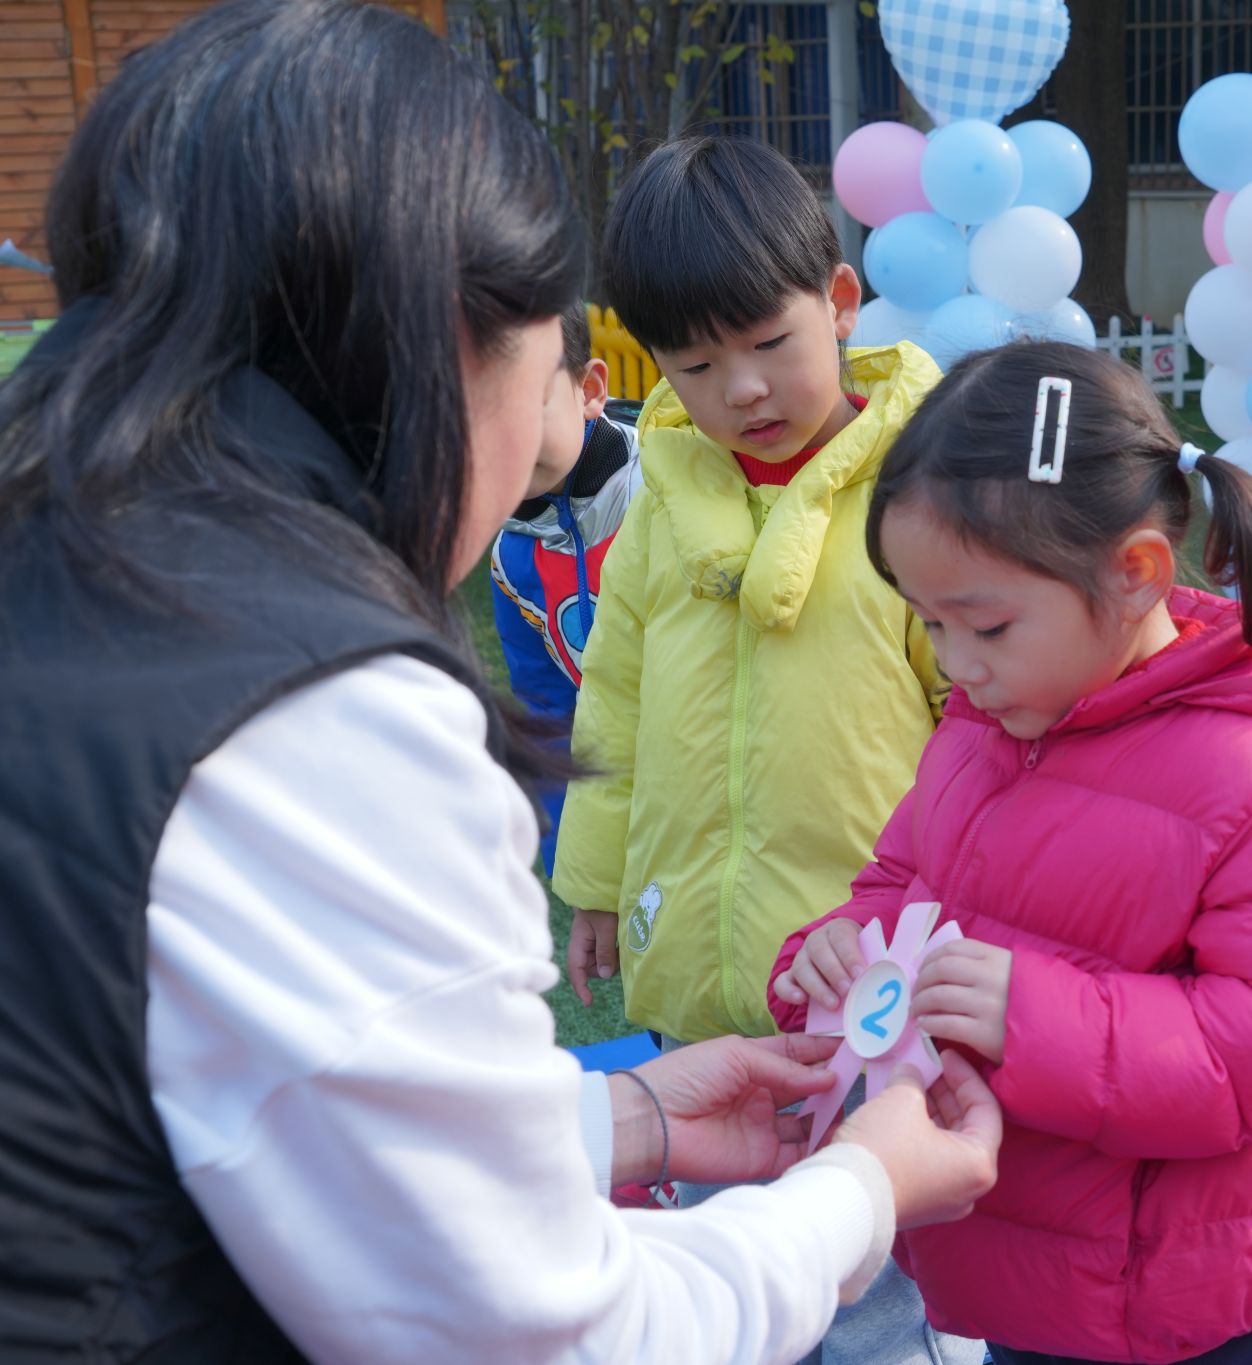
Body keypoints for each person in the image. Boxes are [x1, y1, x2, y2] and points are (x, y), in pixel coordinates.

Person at [0, 3, 998, 1361]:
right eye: (548, 381)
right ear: (446, 345)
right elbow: (542, 1327)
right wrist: (863, 1188)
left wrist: (616, 1118)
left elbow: (290, 1120)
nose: (547, 439)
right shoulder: (321, 711)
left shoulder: (79, 578)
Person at [769, 341, 1252, 1365]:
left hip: (1167, 1292)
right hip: (1023, 1261)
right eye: (930, 625)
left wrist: (1031, 1016)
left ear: (1133, 575)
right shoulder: (989, 722)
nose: (955, 665)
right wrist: (838, 952)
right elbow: (901, 881)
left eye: (986, 626)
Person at [549, 130, 971, 1365]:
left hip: (872, 980)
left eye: (770, 343)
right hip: (697, 968)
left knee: (881, 1285)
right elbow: (614, 700)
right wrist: (593, 881)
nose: (741, 390)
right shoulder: (663, 502)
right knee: (727, 1264)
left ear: (838, 301)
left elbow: (978, 727)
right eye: (694, 365)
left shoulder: (927, 490)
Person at [488, 300, 642, 873]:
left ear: (589, 389)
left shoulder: (667, 495)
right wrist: (567, 855)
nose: (499, 440)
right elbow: (549, 712)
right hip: (625, 815)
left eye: (520, 402)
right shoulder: (510, 557)